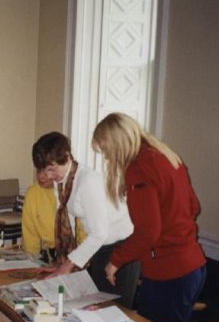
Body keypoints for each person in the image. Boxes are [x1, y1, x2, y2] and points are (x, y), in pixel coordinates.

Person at [92, 112, 206, 322]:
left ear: (117, 144)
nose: (106, 158)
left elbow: (148, 231)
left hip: (170, 272)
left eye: (106, 151)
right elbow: (193, 206)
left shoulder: (140, 169)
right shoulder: (166, 156)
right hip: (192, 267)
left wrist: (115, 261)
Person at [31, 131, 140, 307]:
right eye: (44, 170)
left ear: (66, 156)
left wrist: (66, 267)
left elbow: (99, 233)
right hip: (100, 248)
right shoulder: (63, 181)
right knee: (93, 306)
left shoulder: (87, 181)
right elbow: (68, 223)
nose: (48, 176)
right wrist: (63, 262)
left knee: (113, 310)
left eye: (51, 169)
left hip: (121, 248)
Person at [21, 169, 86, 261]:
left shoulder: (72, 191)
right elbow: (30, 232)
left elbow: (83, 232)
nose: (40, 176)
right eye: (38, 171)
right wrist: (32, 261)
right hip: (47, 255)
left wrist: (79, 260)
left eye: (45, 172)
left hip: (75, 253)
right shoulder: (32, 192)